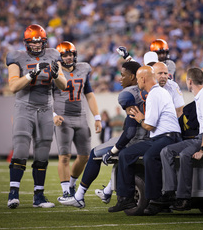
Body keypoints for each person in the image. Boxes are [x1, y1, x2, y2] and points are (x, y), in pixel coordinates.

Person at [59, 61, 149, 208]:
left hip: (137, 139)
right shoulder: (148, 90)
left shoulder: (127, 94)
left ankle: (79, 196)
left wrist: (116, 149)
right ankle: (107, 191)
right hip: (150, 136)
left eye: (123, 75)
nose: (120, 79)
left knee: (95, 153)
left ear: (133, 77)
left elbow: (131, 130)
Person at [6, 24, 67, 209]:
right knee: (21, 149)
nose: (37, 45)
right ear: (26, 43)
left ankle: (38, 196)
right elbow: (13, 87)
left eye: (40, 42)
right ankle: (13, 193)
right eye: (33, 42)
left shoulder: (53, 55)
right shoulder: (16, 57)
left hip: (45, 108)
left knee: (42, 152)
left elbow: (63, 85)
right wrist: (32, 74)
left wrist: (56, 75)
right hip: (25, 107)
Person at [108, 65, 182, 214]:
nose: (137, 83)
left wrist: (140, 119)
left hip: (169, 136)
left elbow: (149, 126)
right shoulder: (156, 93)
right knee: (125, 154)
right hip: (158, 137)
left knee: (150, 156)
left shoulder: (155, 93)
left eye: (138, 79)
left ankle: (157, 200)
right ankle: (126, 199)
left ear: (142, 79)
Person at [157, 68, 203, 212]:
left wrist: (202, 149)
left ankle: (184, 198)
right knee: (167, 151)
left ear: (189, 81)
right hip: (202, 137)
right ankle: (169, 192)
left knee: (185, 154)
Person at [53, 41, 102, 203]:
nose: (68, 57)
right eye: (65, 55)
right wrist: (53, 114)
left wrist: (97, 117)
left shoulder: (83, 69)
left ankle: (72, 185)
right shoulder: (54, 71)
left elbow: (89, 93)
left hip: (80, 116)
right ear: (59, 57)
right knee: (64, 156)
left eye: (70, 54)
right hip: (63, 118)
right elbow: (46, 97)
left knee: (84, 156)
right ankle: (66, 191)